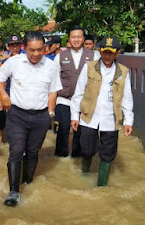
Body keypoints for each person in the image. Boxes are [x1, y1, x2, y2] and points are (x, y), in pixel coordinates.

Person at [0, 31, 62, 207]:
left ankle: (28, 182)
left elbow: (53, 91)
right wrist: (3, 95)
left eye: (40, 50)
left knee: (32, 152)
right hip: (17, 115)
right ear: (25, 48)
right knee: (16, 151)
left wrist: (51, 114)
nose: (36, 54)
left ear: (45, 49)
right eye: (32, 50)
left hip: (41, 116)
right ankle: (14, 191)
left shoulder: (51, 65)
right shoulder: (14, 62)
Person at [70, 37, 134, 186]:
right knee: (86, 149)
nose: (107, 56)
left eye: (111, 53)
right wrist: (75, 116)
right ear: (99, 51)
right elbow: (78, 93)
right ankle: (84, 176)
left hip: (111, 119)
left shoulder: (123, 72)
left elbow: (127, 97)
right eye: (104, 52)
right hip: (89, 117)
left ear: (117, 53)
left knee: (108, 154)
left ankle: (101, 186)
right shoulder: (89, 67)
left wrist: (128, 121)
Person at [54, 25, 99, 158]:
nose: (76, 39)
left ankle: (76, 157)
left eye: (79, 36)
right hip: (64, 99)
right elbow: (54, 78)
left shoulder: (94, 56)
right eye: (73, 37)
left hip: (84, 101)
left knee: (79, 130)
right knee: (63, 127)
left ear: (84, 39)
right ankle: (60, 156)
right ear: (68, 39)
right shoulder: (60, 56)